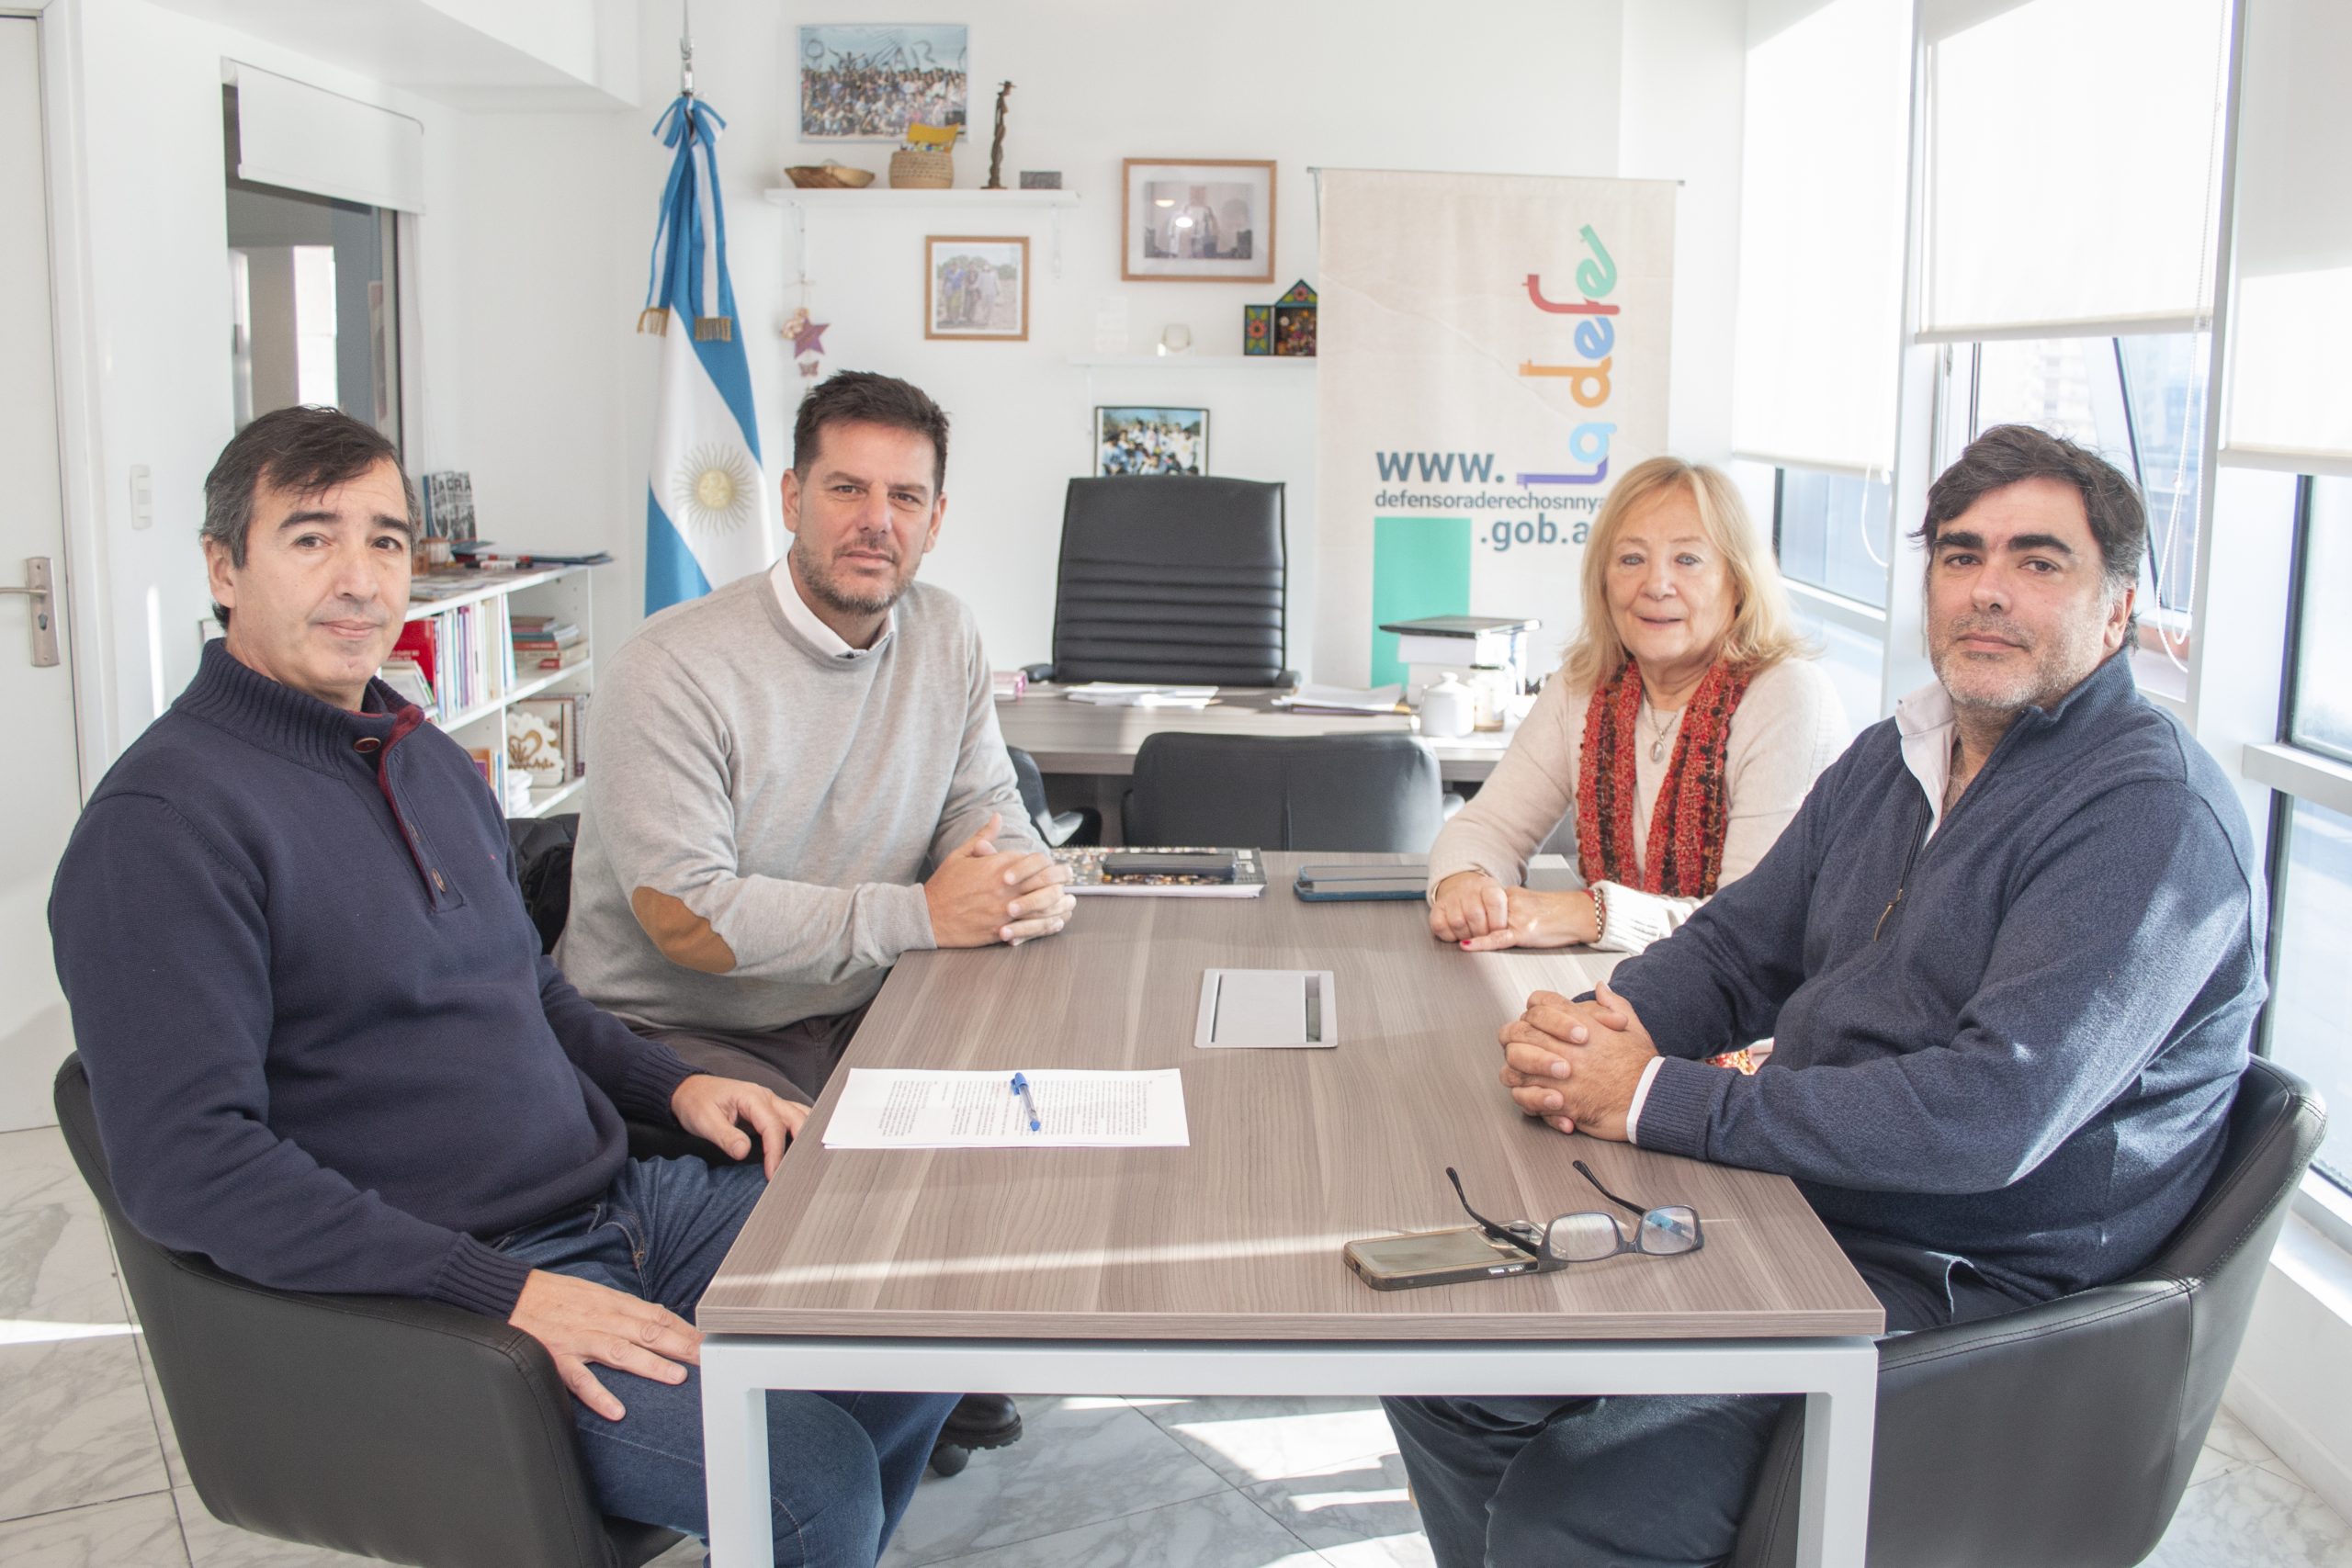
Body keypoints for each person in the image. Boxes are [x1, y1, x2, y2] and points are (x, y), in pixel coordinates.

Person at [47, 405, 954, 1566]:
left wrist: (674, 1088)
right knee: (806, 1477)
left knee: (924, 1291)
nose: (360, 579)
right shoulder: (163, 828)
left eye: (385, 541)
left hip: (623, 1203)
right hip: (450, 1292)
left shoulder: (420, 754)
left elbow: (529, 990)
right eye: (310, 538)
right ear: (224, 567)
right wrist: (504, 1294)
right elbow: (190, 1171)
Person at [1384, 424, 2266, 1568]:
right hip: (1821, 1203)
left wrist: (1653, 1098)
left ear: (2118, 610)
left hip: (1975, 1294)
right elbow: (1744, 943)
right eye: (1959, 556)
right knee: (1453, 1376)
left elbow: (1983, 1117)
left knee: (1577, 1501)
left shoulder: (2145, 816)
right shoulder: (1903, 752)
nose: (1987, 590)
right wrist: (1612, 1027)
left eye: (2038, 562)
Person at [1426, 457, 1847, 985]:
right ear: (1603, 583)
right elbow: (1485, 828)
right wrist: (1466, 884)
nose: (1656, 584)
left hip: (1760, 1038)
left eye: (1688, 559)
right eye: (1630, 559)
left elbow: (1753, 927)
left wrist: (1589, 913)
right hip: (1626, 994)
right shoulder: (1583, 687)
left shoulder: (1788, 697)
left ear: (1737, 582)